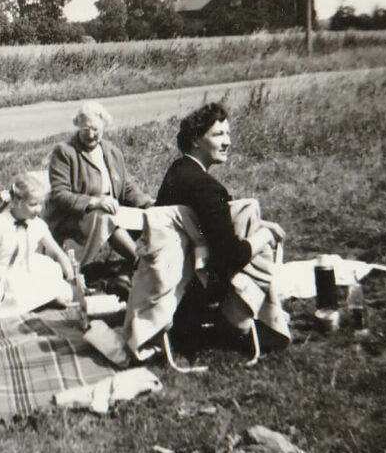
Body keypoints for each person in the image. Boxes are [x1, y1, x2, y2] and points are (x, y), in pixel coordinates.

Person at [155, 102, 288, 351]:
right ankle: (235, 322)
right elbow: (232, 256)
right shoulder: (206, 187)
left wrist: (258, 224)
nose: (227, 142)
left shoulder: (178, 171)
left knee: (250, 225)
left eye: (228, 133)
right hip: (194, 286)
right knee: (256, 250)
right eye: (218, 135)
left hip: (168, 275)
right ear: (196, 140)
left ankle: (247, 318)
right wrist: (265, 234)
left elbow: (205, 220)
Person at [46, 100, 153, 269]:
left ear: (104, 126)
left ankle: (155, 260)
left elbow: (127, 187)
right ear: (77, 127)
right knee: (106, 217)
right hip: (75, 218)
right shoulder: (65, 152)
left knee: (151, 217)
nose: (90, 135)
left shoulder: (111, 151)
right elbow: (60, 195)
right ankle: (141, 264)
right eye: (85, 130)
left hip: (111, 211)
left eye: (95, 129)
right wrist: (94, 202)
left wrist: (148, 204)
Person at [0, 172, 76, 319]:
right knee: (13, 298)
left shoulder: (38, 224)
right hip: (5, 275)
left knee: (64, 293)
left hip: (29, 269)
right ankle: (34, 301)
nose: (39, 209)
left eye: (41, 204)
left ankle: (41, 298)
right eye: (33, 204)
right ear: (17, 200)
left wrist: (69, 271)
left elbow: (56, 252)